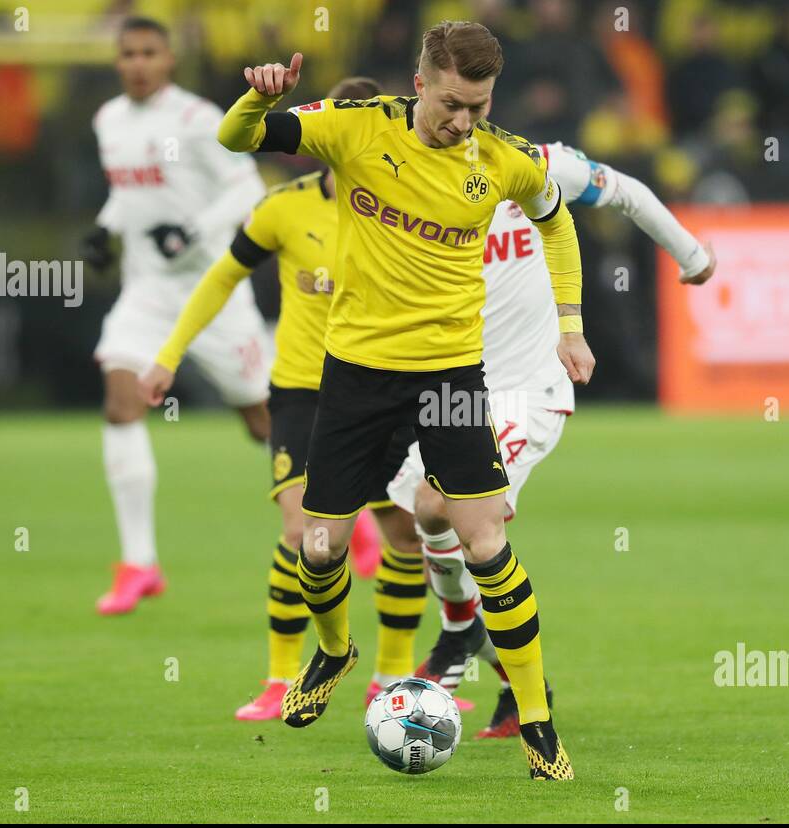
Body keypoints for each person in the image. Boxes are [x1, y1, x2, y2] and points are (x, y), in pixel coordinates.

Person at [143, 21, 589, 779]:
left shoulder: (504, 158)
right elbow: (232, 138)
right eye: (452, 104)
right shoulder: (356, 130)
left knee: (485, 541)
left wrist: (570, 327)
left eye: (478, 107)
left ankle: (538, 721)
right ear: (419, 85)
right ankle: (333, 650)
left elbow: (557, 222)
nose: (463, 122)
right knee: (319, 546)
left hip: (451, 375)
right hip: (353, 376)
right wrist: (257, 101)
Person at [393, 140, 716, 737]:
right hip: (456, 388)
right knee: (425, 514)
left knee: (449, 510)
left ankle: (459, 629)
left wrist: (690, 254)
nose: (461, 121)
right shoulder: (414, 181)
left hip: (529, 391)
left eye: (473, 107)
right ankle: (513, 677)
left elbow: (628, 193)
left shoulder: (541, 165)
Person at [142, 77, 433, 722]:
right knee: (306, 533)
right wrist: (167, 357)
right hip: (304, 391)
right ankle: (280, 678)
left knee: (404, 532)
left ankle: (391, 677)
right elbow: (221, 278)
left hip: (384, 384)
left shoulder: (410, 208)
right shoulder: (283, 209)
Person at [84, 15, 273, 615]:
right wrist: (105, 228)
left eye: (148, 53)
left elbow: (249, 188)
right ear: (118, 61)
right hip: (146, 293)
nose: (137, 63)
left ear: (169, 60)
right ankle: (139, 563)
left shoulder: (197, 120)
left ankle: (353, 519)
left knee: (265, 422)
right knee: (121, 401)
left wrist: (192, 233)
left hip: (212, 291)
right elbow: (130, 189)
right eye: (128, 53)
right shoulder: (108, 120)